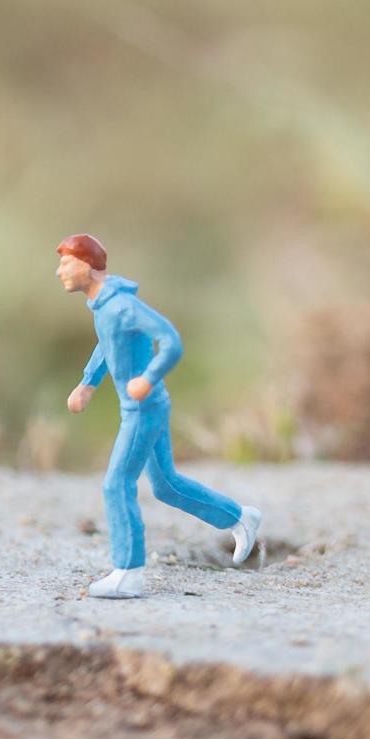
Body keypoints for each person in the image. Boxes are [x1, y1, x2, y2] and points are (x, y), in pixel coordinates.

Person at [55, 232, 261, 598]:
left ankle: (128, 571)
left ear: (86, 266)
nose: (59, 272)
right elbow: (108, 344)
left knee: (116, 484)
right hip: (143, 405)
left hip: (142, 408)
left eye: (66, 264)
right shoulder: (102, 306)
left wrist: (147, 379)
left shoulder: (122, 307)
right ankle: (240, 517)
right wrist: (88, 383)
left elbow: (171, 340)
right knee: (166, 485)